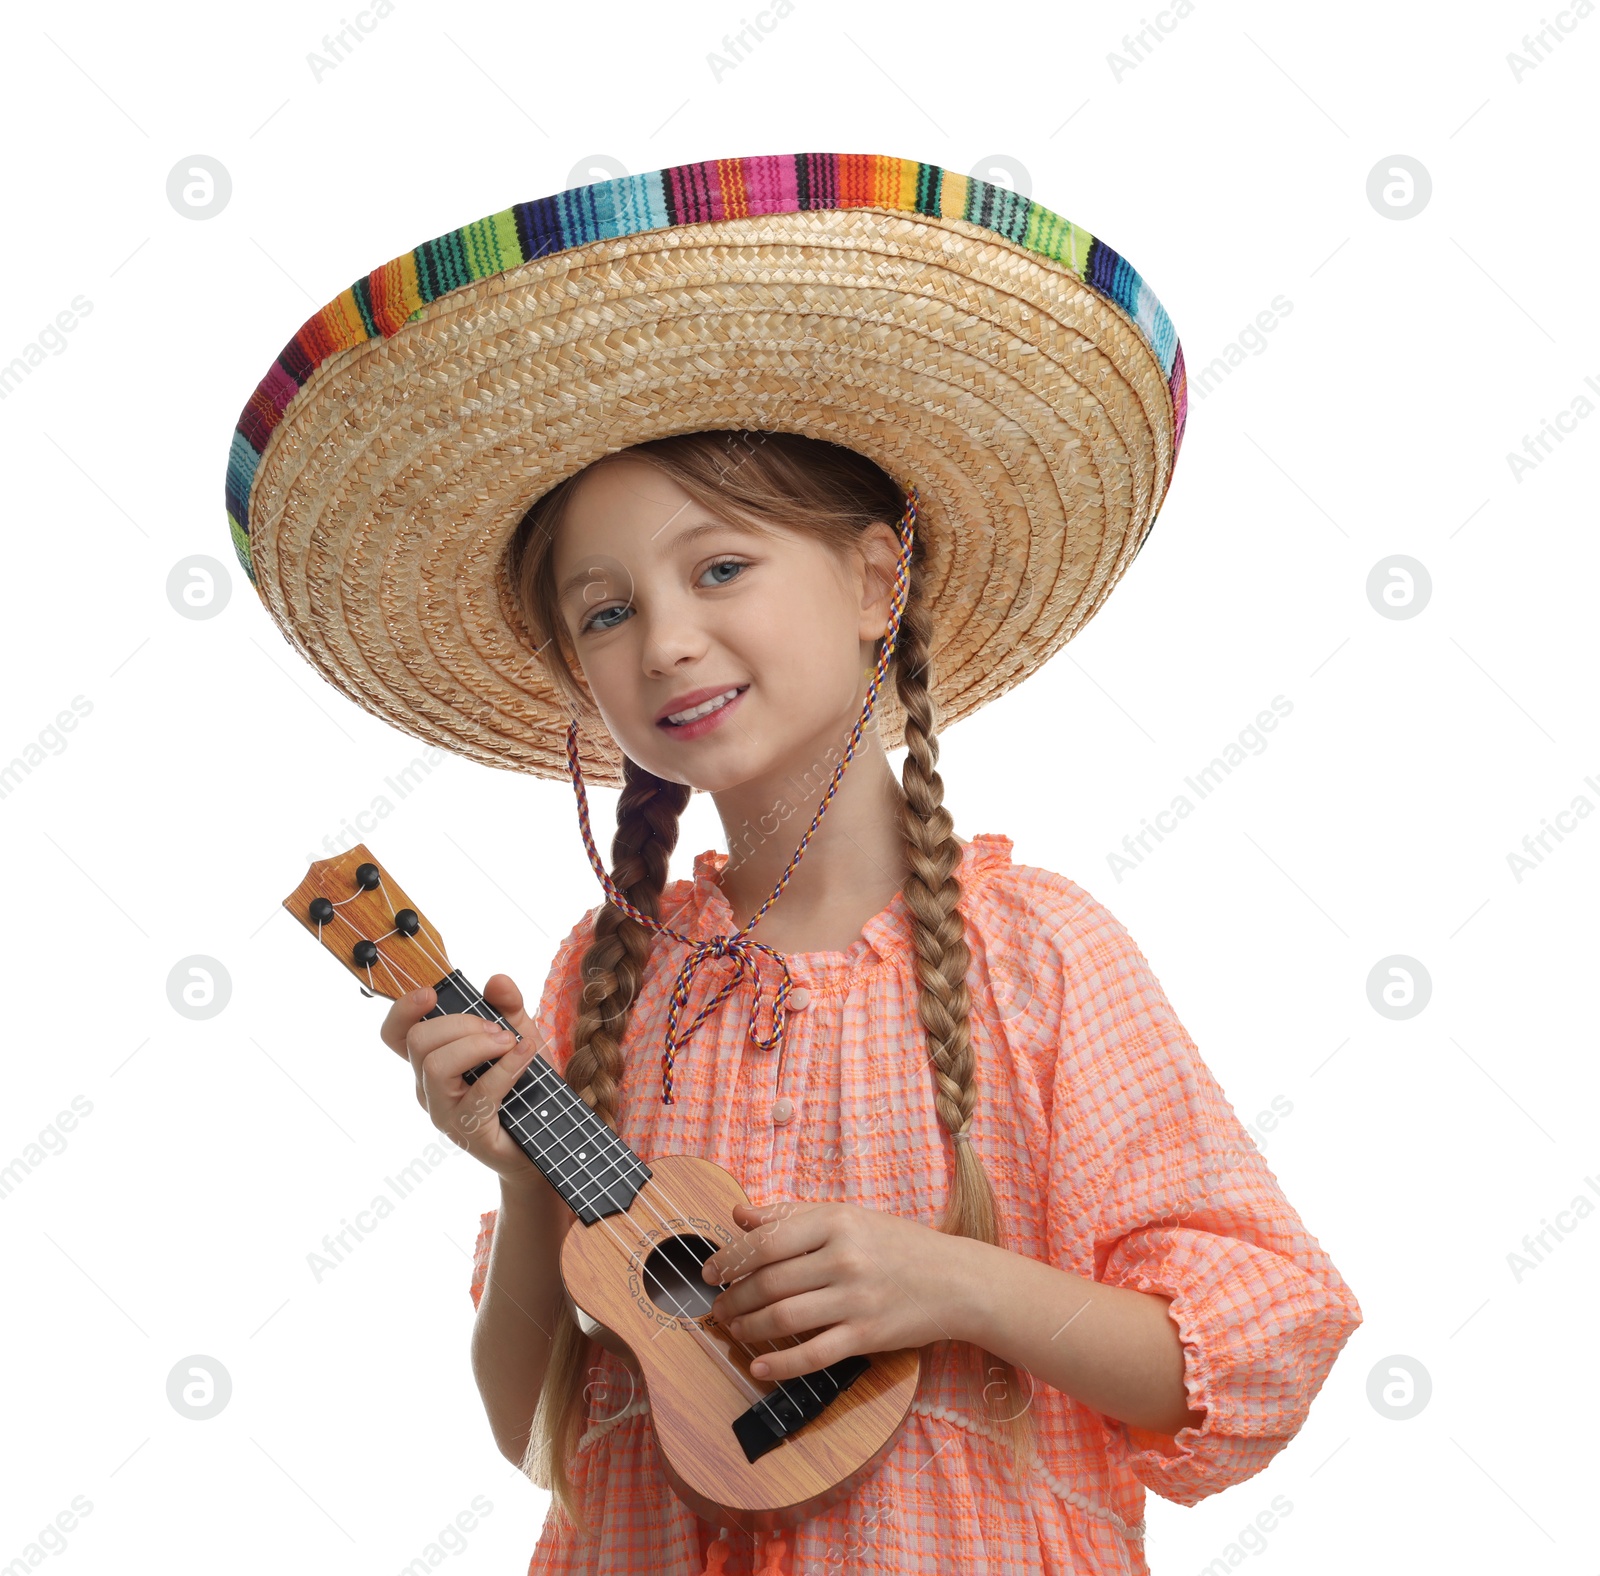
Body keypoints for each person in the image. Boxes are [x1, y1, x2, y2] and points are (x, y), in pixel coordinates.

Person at [227, 153, 1362, 1576]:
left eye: (719, 569)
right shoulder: (611, 978)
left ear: (879, 580)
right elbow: (535, 1437)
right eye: (605, 611)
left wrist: (946, 1282)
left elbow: (1255, 1351)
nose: (668, 642)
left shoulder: (1041, 953)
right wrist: (525, 1187)